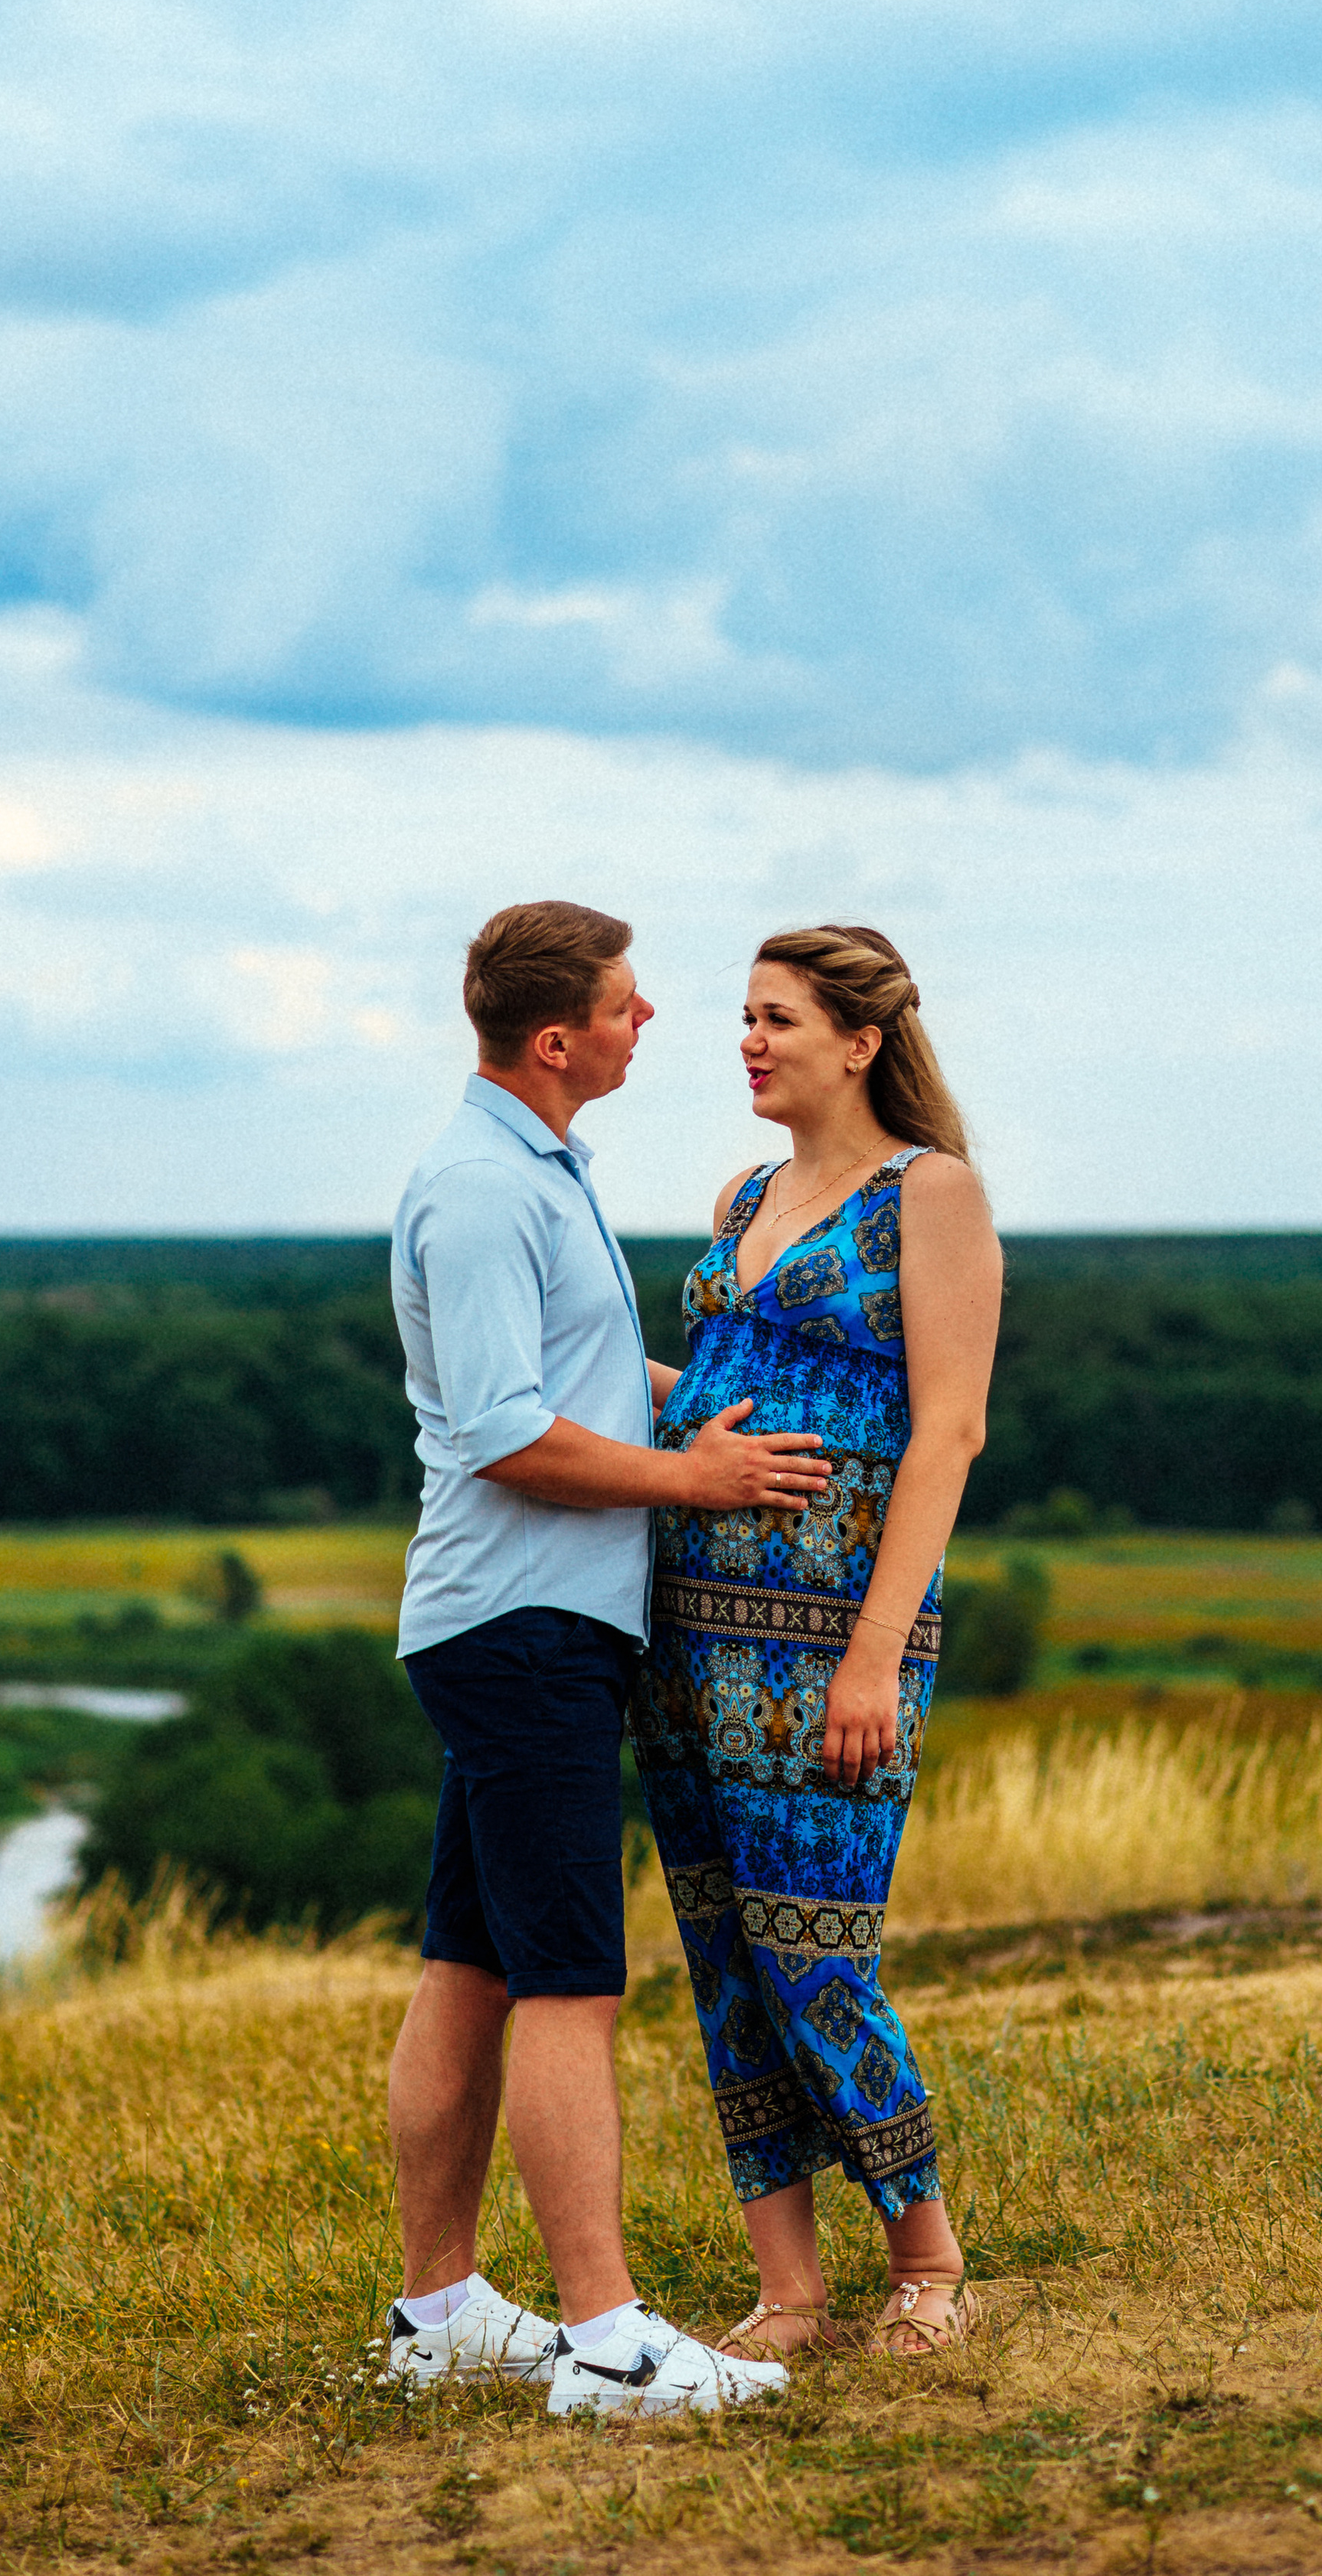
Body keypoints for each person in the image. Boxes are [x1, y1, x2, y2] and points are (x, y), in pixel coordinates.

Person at [382, 898, 841, 2420]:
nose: (657, 1022)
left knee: (470, 1968)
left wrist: (694, 1407)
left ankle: (439, 2313)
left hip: (528, 1625)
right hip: (522, 1626)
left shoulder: (533, 1166)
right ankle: (609, 2342)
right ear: (558, 1035)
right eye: (631, 1004)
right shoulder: (477, 1190)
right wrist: (695, 1484)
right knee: (569, 1982)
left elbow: (570, 1379)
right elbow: (508, 1432)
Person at [631, 924, 1002, 2360]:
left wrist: (871, 1653)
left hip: (834, 1636)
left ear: (860, 1040)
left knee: (815, 1941)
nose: (750, 1041)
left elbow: (950, 1428)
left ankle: (928, 2255)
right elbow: (708, 1388)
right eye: (742, 1018)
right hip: (686, 1620)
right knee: (724, 1945)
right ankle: (789, 2287)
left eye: (777, 1018)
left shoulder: (930, 1196)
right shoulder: (739, 1197)